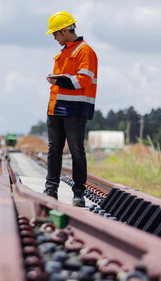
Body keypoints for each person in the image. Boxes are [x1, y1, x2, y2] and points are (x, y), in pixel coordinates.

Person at [43, 11, 98, 207]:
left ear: (65, 30)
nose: (55, 38)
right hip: (56, 108)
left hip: (75, 109)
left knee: (76, 151)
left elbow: (84, 80)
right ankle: (50, 190)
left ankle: (78, 194)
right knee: (54, 150)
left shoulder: (85, 51)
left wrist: (59, 80)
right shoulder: (63, 53)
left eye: (56, 34)